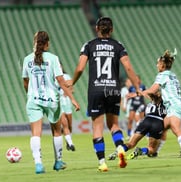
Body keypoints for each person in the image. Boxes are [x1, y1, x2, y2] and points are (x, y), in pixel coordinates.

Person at [71, 16, 140, 172]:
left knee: (97, 127)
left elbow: (80, 68)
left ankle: (102, 162)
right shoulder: (118, 46)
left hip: (96, 90)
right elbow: (128, 68)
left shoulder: (89, 45)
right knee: (114, 125)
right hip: (113, 89)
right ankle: (120, 148)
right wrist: (137, 87)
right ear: (112, 30)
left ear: (97, 29)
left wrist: (72, 82)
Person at [22, 31, 80, 174]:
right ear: (47, 44)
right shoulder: (53, 59)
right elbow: (61, 82)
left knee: (36, 133)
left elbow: (25, 81)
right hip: (52, 100)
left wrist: (31, 94)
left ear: (34, 43)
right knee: (56, 130)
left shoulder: (27, 59)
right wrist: (72, 99)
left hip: (34, 100)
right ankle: (58, 162)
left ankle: (38, 164)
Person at [139, 49, 181, 158]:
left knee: (175, 128)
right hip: (177, 105)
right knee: (161, 128)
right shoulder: (173, 76)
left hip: (174, 106)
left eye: (158, 63)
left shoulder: (162, 75)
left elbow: (153, 90)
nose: (156, 65)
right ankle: (155, 152)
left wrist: (140, 92)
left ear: (162, 65)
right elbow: (175, 93)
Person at [120, 90, 167, 159]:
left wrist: (137, 94)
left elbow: (145, 93)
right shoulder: (166, 102)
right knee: (152, 149)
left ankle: (118, 152)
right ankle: (141, 151)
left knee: (131, 143)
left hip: (146, 121)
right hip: (157, 122)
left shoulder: (150, 104)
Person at [58, 64, 76, 151]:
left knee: (69, 125)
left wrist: (68, 92)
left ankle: (68, 141)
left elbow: (72, 89)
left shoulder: (66, 76)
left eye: (60, 66)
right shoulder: (53, 77)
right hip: (59, 102)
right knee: (64, 123)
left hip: (67, 102)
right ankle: (70, 143)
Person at [127, 75, 146, 139]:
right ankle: (129, 134)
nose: (136, 80)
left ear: (139, 80)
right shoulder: (131, 87)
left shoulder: (143, 86)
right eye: (135, 79)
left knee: (143, 120)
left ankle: (145, 133)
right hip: (133, 105)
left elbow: (145, 94)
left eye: (137, 79)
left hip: (141, 104)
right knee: (130, 120)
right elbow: (129, 95)